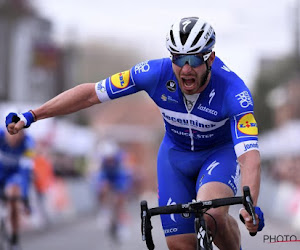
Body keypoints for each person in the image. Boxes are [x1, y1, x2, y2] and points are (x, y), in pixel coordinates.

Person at [6, 17, 264, 250]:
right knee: (179, 245)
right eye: (178, 58)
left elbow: (249, 156)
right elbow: (89, 94)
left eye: (194, 59)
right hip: (175, 156)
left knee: (212, 215)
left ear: (210, 58)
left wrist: (251, 204)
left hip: (217, 154)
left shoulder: (234, 91)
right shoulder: (154, 73)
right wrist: (32, 115)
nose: (186, 69)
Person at [0, 127, 35, 250]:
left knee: (13, 195)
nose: (14, 139)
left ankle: (14, 239)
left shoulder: (28, 143)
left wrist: (25, 198)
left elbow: (26, 172)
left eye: (18, 136)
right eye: (12, 135)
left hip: (14, 175)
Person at [93, 140, 132, 240]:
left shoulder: (120, 159)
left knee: (120, 201)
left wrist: (120, 192)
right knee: (102, 188)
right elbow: (99, 174)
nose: (109, 161)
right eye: (107, 159)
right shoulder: (101, 159)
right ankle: (104, 211)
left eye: (111, 159)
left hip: (119, 177)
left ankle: (122, 226)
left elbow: (123, 176)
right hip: (106, 175)